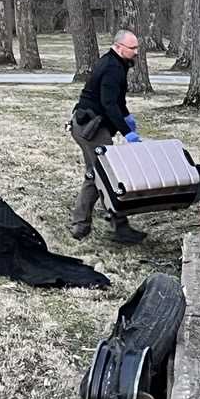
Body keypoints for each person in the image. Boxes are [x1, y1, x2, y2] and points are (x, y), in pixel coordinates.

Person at [68, 29, 147, 244]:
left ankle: (84, 224)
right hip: (90, 128)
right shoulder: (113, 68)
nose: (136, 52)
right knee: (106, 174)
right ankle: (112, 226)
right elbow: (108, 103)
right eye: (133, 48)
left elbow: (117, 100)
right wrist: (127, 131)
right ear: (119, 47)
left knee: (96, 174)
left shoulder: (114, 63)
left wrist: (127, 116)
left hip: (87, 124)